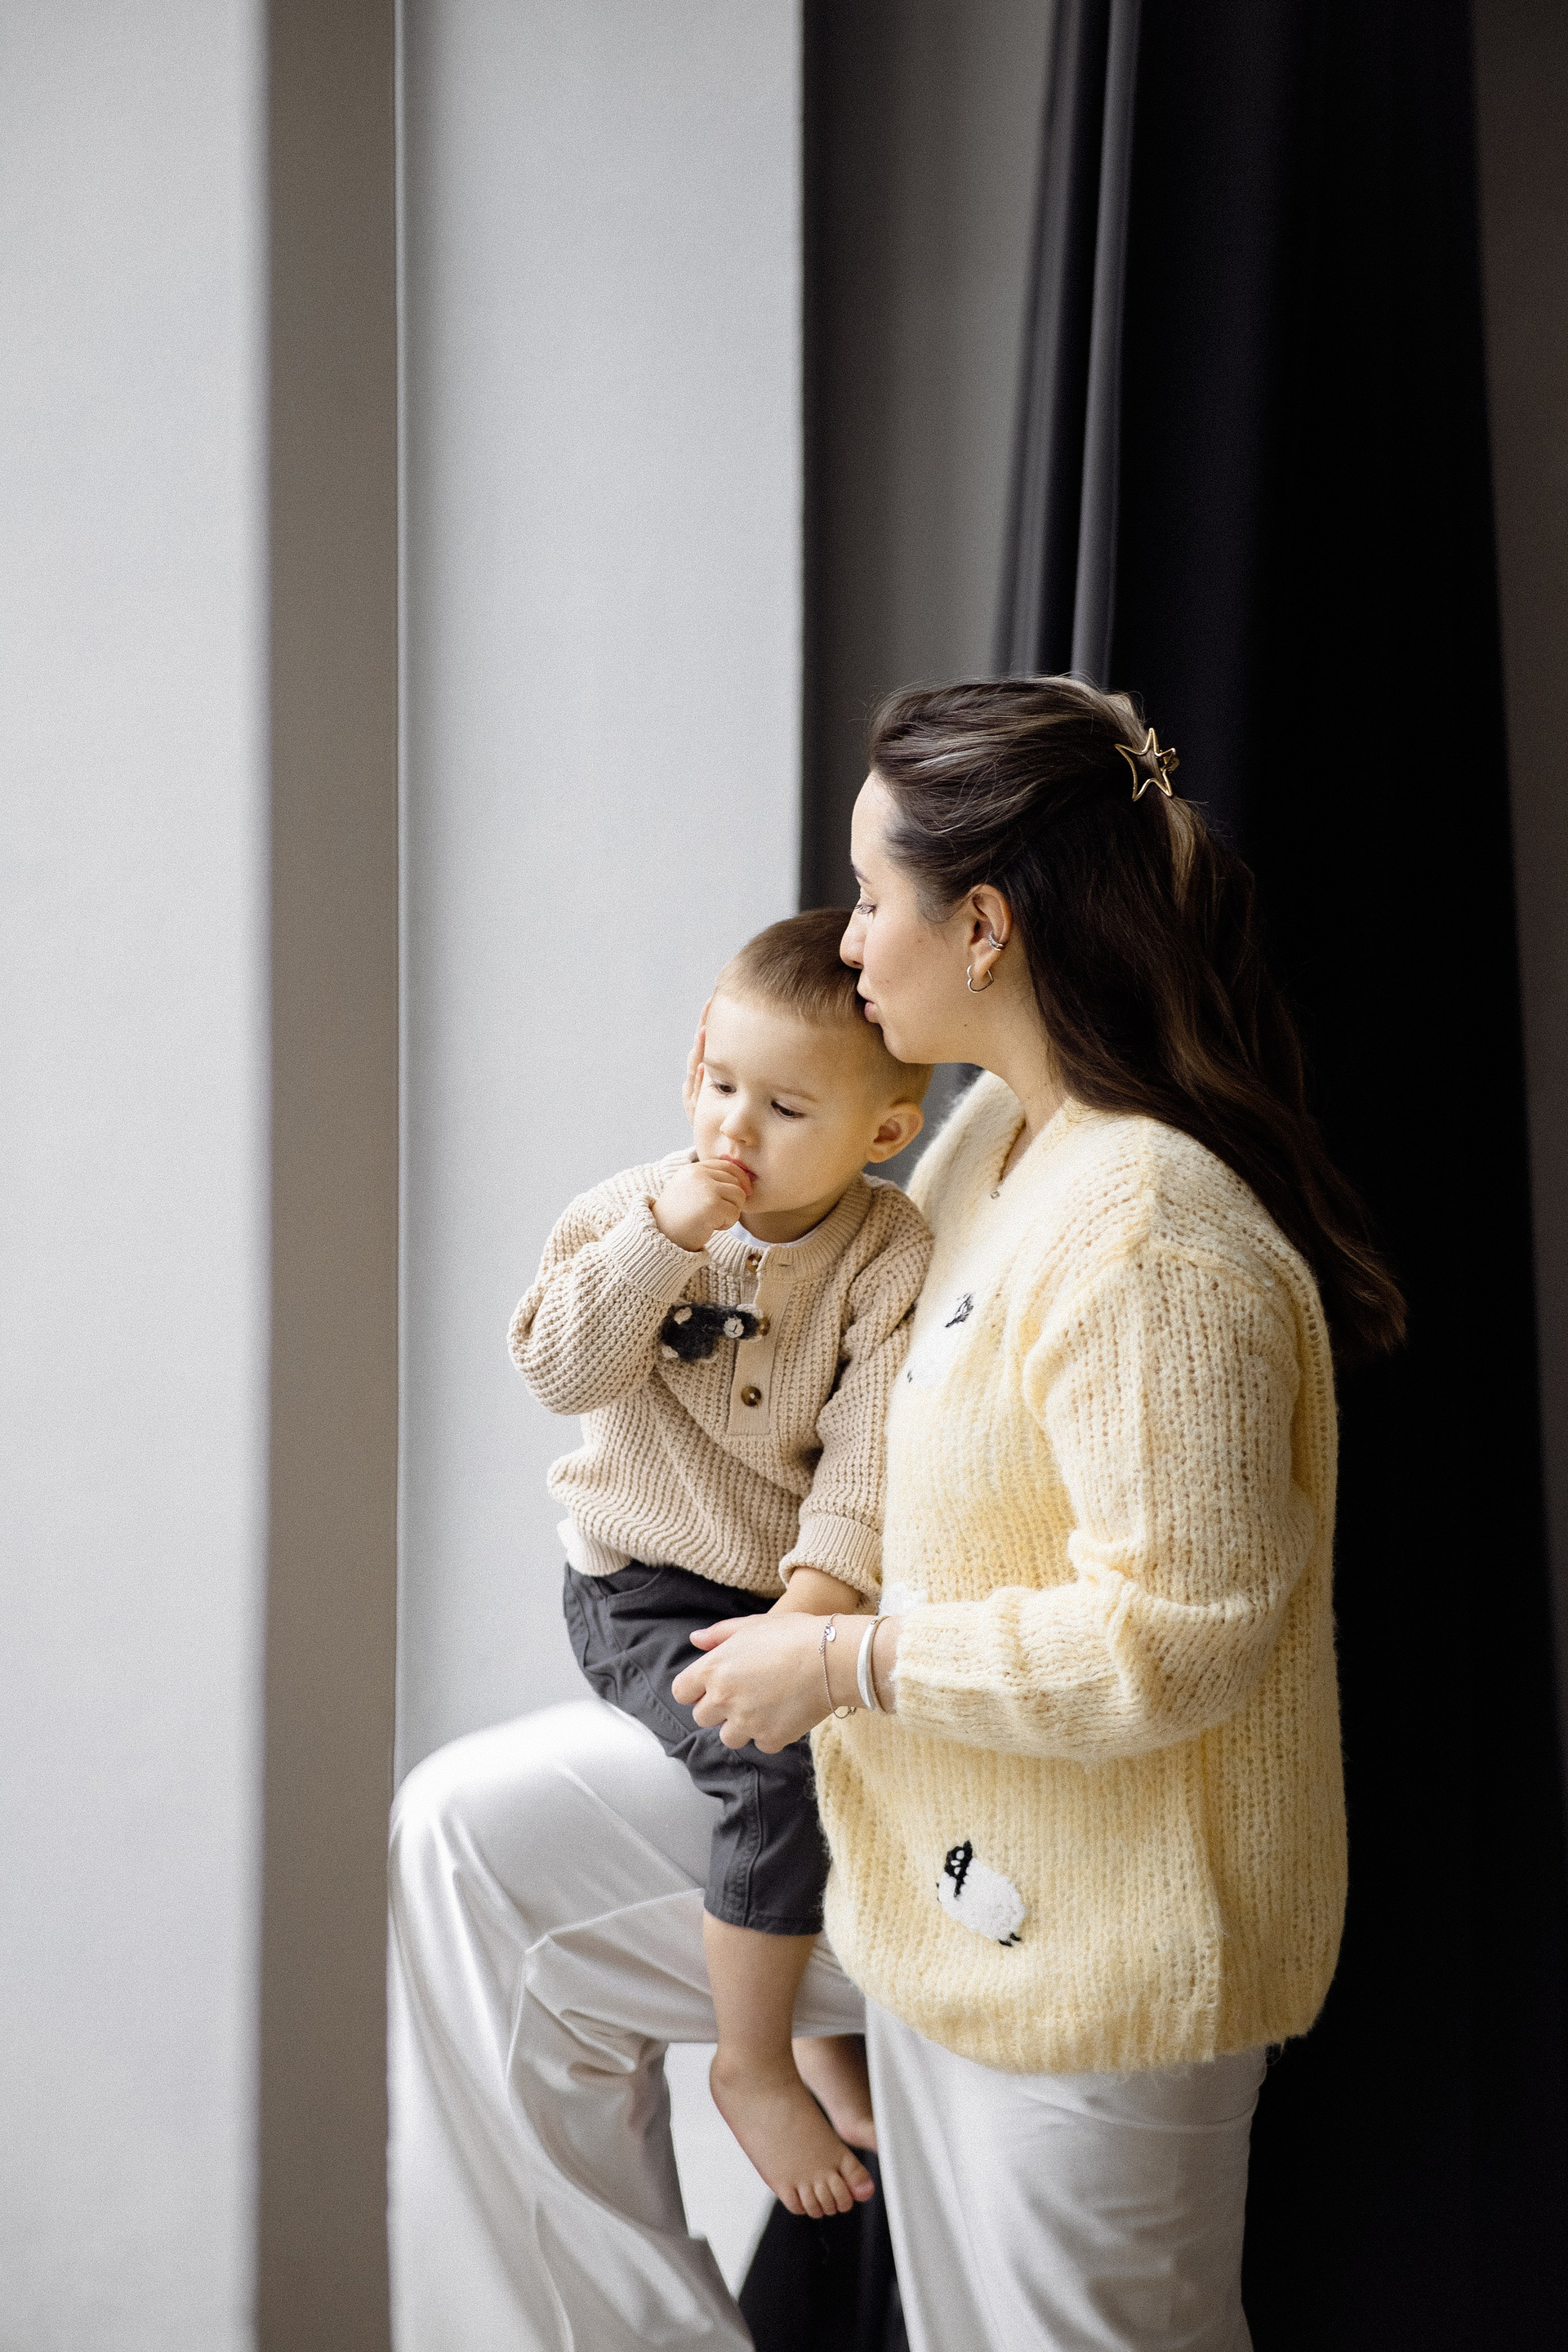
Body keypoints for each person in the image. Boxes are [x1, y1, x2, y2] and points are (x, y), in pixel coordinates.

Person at [389, 675, 1403, 2352]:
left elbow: (1179, 1638)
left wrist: (845, 1659)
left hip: (1097, 1938)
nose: (848, 942)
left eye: (872, 899)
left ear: (982, 926)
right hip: (930, 1845)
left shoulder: (1149, 1236)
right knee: (469, 1849)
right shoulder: (986, 1141)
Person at [508, 910, 933, 2221]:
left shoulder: (889, 1252)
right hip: (642, 1584)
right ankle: (752, 2063)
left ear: (882, 1132)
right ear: (695, 1055)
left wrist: (813, 1611)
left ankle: (822, 2021)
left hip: (791, 1584)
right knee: (772, 1770)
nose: (737, 1127)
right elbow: (558, 1370)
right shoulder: (625, 1216)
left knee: (876, 1749)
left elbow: (868, 1451)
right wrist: (662, 1240)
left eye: (787, 1109)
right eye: (721, 1082)